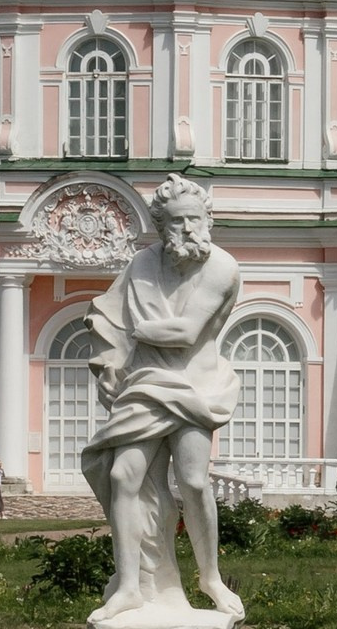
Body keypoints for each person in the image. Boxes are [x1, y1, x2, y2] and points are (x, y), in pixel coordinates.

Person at [81, 174, 244, 625]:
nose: (188, 230)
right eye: (177, 223)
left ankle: (210, 577)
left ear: (208, 219)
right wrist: (118, 356)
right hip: (145, 383)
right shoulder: (142, 264)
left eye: (195, 219)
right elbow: (105, 315)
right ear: (160, 226)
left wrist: (136, 332)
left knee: (193, 482)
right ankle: (130, 587)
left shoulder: (221, 267)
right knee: (121, 474)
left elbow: (185, 333)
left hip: (194, 385)